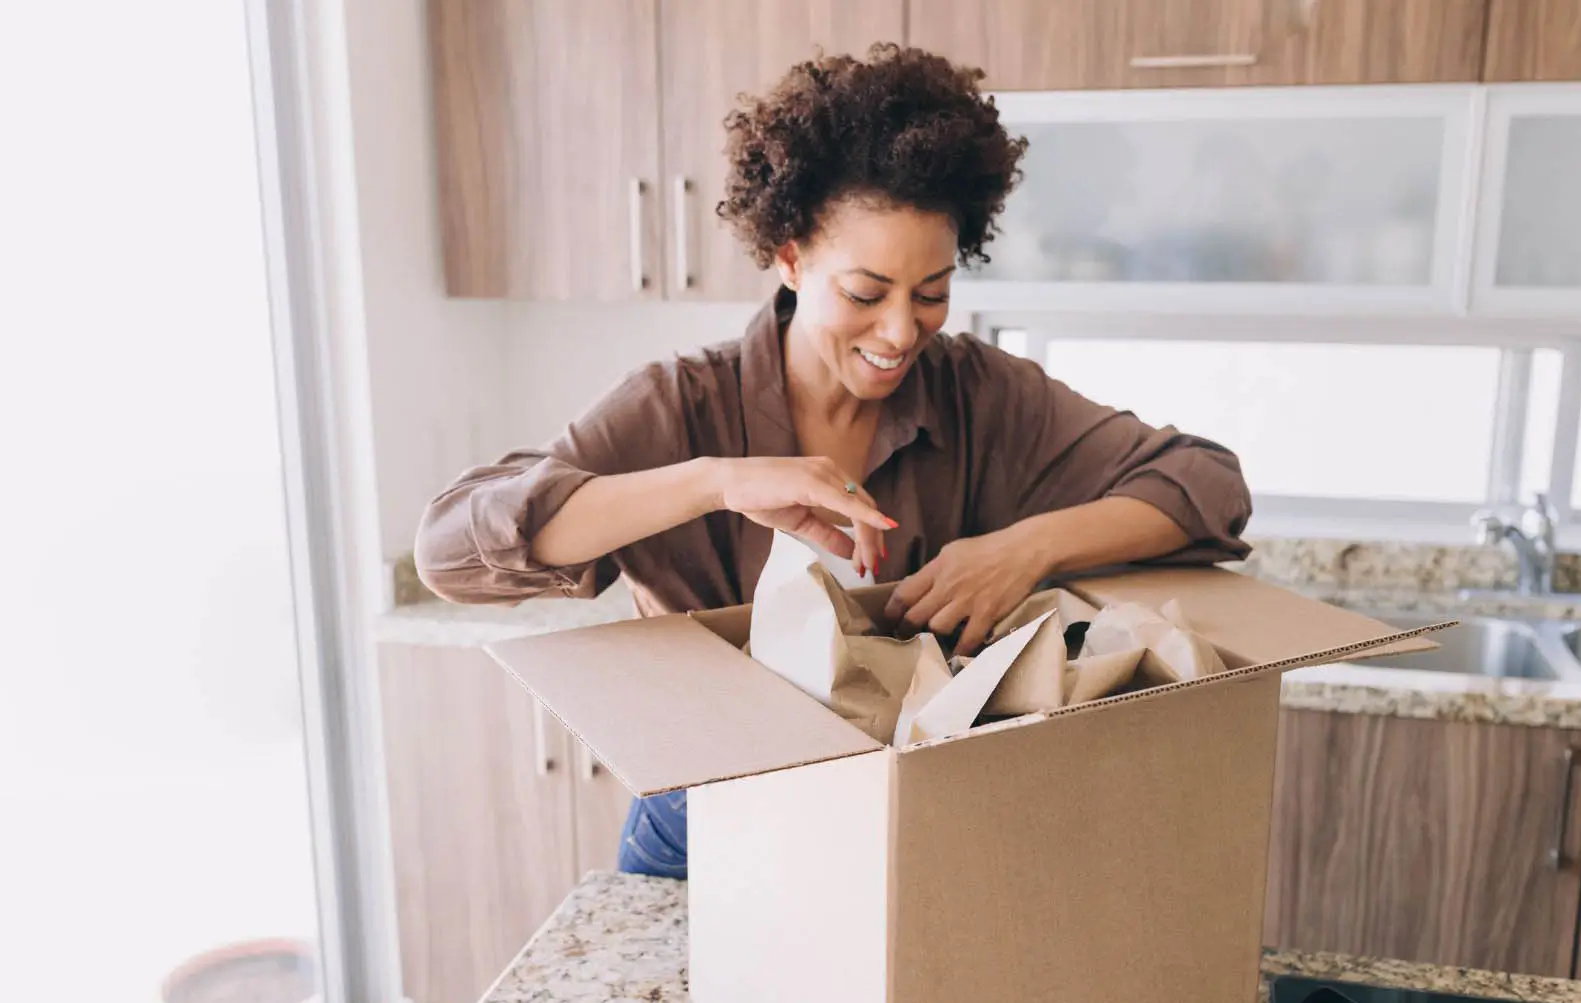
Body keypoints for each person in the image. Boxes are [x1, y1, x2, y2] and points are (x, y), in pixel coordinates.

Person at [414, 45, 1253, 880]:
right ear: (789, 257)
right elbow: (451, 552)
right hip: (708, 819)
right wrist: (716, 480)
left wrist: (1024, 548)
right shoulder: (681, 405)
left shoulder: (977, 395)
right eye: (864, 292)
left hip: (918, 811)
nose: (899, 332)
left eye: (931, 292)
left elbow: (1205, 485)